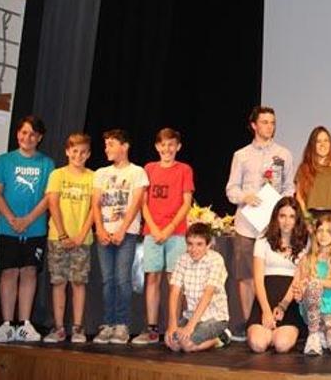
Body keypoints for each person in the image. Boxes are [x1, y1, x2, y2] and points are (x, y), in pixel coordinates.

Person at [225, 106, 295, 341]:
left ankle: (271, 320)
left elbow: (289, 188)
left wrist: (280, 204)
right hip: (247, 225)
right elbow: (231, 189)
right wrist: (246, 197)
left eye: (272, 122)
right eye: (264, 122)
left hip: (274, 228)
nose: (269, 126)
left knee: (272, 276)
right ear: (254, 125)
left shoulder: (284, 154)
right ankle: (248, 323)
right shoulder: (241, 155)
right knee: (246, 276)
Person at [0, 116, 55, 343]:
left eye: (33, 134)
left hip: (34, 228)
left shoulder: (46, 163)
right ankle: (6, 324)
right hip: (7, 228)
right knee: (8, 271)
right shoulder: (4, 160)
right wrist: (11, 218)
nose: (27, 137)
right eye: (24, 132)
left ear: (40, 138)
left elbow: (49, 197)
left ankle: (25, 323)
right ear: (18, 134)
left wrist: (28, 220)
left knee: (28, 271)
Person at [133, 128, 195, 345]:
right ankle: (151, 328)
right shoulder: (149, 169)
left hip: (176, 234)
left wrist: (168, 229)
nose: (167, 149)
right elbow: (143, 202)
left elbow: (186, 203)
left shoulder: (184, 170)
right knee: (152, 278)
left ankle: (174, 326)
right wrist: (154, 228)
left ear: (178, 147)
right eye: (163, 145)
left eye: (171, 145)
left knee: (174, 281)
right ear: (157, 147)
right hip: (152, 233)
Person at [91, 129, 149, 344]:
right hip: (104, 233)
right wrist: (100, 228)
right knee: (108, 280)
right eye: (106, 145)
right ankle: (107, 323)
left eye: (111, 144)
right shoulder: (100, 173)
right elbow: (95, 203)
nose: (107, 148)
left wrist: (123, 229)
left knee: (123, 279)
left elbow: (136, 203)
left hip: (127, 232)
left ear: (124, 146)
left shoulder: (137, 172)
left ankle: (122, 325)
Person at [42, 133, 94, 344]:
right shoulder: (57, 174)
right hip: (58, 238)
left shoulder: (92, 176)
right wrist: (63, 233)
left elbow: (94, 208)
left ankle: (78, 328)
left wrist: (81, 233)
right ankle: (59, 327)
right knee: (59, 282)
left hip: (83, 239)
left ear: (88, 154)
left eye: (83, 152)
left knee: (79, 282)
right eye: (74, 151)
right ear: (67, 151)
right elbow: (53, 204)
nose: (78, 155)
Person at [247, 197, 309, 353]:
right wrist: (266, 311)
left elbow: (299, 277)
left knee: (282, 345)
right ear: (276, 217)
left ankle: (276, 333)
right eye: (282, 216)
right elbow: (258, 279)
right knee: (257, 344)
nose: (287, 221)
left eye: (291, 216)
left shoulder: (304, 242)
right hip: (265, 299)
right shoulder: (263, 240)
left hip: (289, 301)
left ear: (297, 219)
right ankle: (268, 332)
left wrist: (283, 306)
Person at [165, 222, 231, 353]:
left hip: (214, 317)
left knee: (187, 345)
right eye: (190, 244)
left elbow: (208, 294)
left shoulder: (216, 260)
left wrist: (190, 327)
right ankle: (193, 334)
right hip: (191, 315)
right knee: (171, 342)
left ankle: (221, 337)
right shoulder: (182, 259)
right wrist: (172, 324)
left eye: (199, 244)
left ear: (208, 245)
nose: (193, 249)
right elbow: (174, 292)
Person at [298, 211, 331, 355]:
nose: (323, 235)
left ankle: (323, 331)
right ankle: (314, 334)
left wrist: (315, 280)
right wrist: (302, 287)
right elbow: (303, 284)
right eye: (320, 230)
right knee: (313, 285)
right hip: (313, 310)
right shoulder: (307, 258)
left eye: (328, 231)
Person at [295, 126, 331, 224]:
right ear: (312, 145)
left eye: (326, 141)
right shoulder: (304, 168)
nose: (323, 144)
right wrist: (308, 221)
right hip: (310, 222)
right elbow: (299, 197)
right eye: (318, 141)